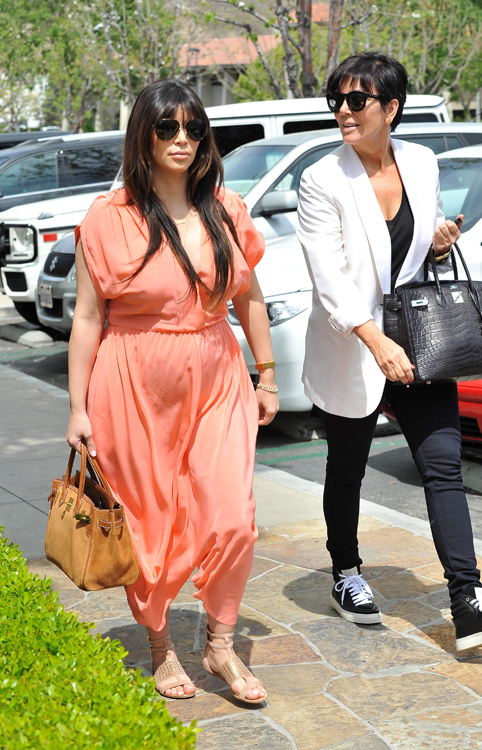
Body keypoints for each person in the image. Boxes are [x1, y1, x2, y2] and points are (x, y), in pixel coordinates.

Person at [297, 52, 482, 651]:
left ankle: (467, 599)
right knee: (346, 468)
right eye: (337, 101)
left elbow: (414, 244)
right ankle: (346, 572)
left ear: (391, 108)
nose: (344, 112)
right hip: (353, 345)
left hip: (421, 336)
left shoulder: (422, 163)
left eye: (358, 101)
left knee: (443, 465)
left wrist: (437, 240)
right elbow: (329, 279)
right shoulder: (322, 178)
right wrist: (374, 341)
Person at [66, 80, 279, 701]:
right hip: (130, 386)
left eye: (192, 129)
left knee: (234, 519)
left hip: (217, 375)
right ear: (145, 136)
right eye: (167, 129)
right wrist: (77, 408)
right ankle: (161, 649)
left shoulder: (226, 211)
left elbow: (250, 298)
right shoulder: (108, 219)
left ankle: (220, 646)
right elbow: (86, 318)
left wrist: (265, 374)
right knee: (149, 526)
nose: (181, 140)